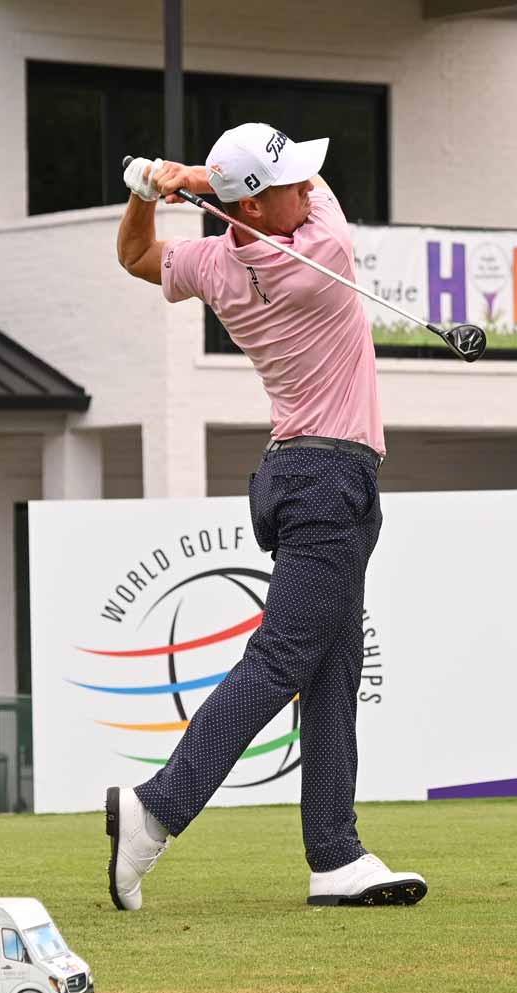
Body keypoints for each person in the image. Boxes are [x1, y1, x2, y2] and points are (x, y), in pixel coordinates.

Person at [105, 124, 424, 910]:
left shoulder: (215, 264)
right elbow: (321, 196)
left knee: (333, 669)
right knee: (282, 660)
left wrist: (149, 192)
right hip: (328, 482)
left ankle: (336, 855)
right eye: (290, 182)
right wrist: (196, 178)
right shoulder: (323, 255)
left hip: (295, 474)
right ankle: (157, 809)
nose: (307, 186)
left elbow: (137, 257)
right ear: (254, 203)